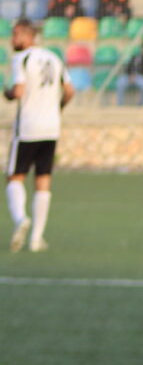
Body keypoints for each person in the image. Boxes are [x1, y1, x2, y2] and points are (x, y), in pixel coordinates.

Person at [5, 19, 74, 253]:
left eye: (16, 35)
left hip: (28, 127)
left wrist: (7, 93)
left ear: (28, 36)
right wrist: (57, 108)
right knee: (43, 180)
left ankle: (21, 219)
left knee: (15, 177)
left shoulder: (22, 59)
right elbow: (69, 91)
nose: (13, 39)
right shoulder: (54, 58)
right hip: (51, 127)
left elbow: (18, 91)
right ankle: (36, 239)